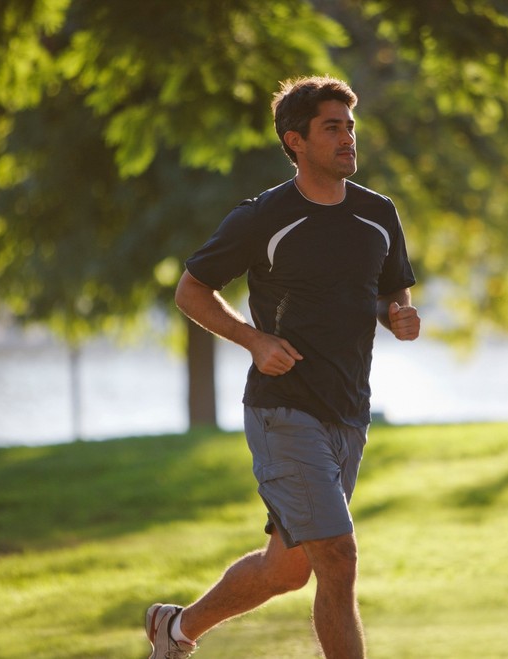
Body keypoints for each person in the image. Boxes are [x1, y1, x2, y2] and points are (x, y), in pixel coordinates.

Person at [146, 75, 421, 659]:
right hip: (282, 410)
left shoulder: (378, 213)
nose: (347, 138)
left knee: (289, 569)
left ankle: (176, 629)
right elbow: (192, 290)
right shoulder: (263, 217)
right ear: (295, 141)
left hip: (348, 411)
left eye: (349, 126)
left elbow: (388, 293)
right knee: (339, 559)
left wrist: (399, 315)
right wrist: (252, 340)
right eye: (331, 128)